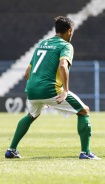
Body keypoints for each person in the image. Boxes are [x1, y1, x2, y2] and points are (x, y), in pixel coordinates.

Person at [5, 16, 100, 160]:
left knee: (31, 115)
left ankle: (11, 150)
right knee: (83, 111)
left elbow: (27, 74)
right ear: (69, 31)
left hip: (31, 89)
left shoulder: (42, 44)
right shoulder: (65, 46)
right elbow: (63, 66)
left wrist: (42, 96)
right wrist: (65, 90)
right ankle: (85, 153)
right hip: (50, 89)